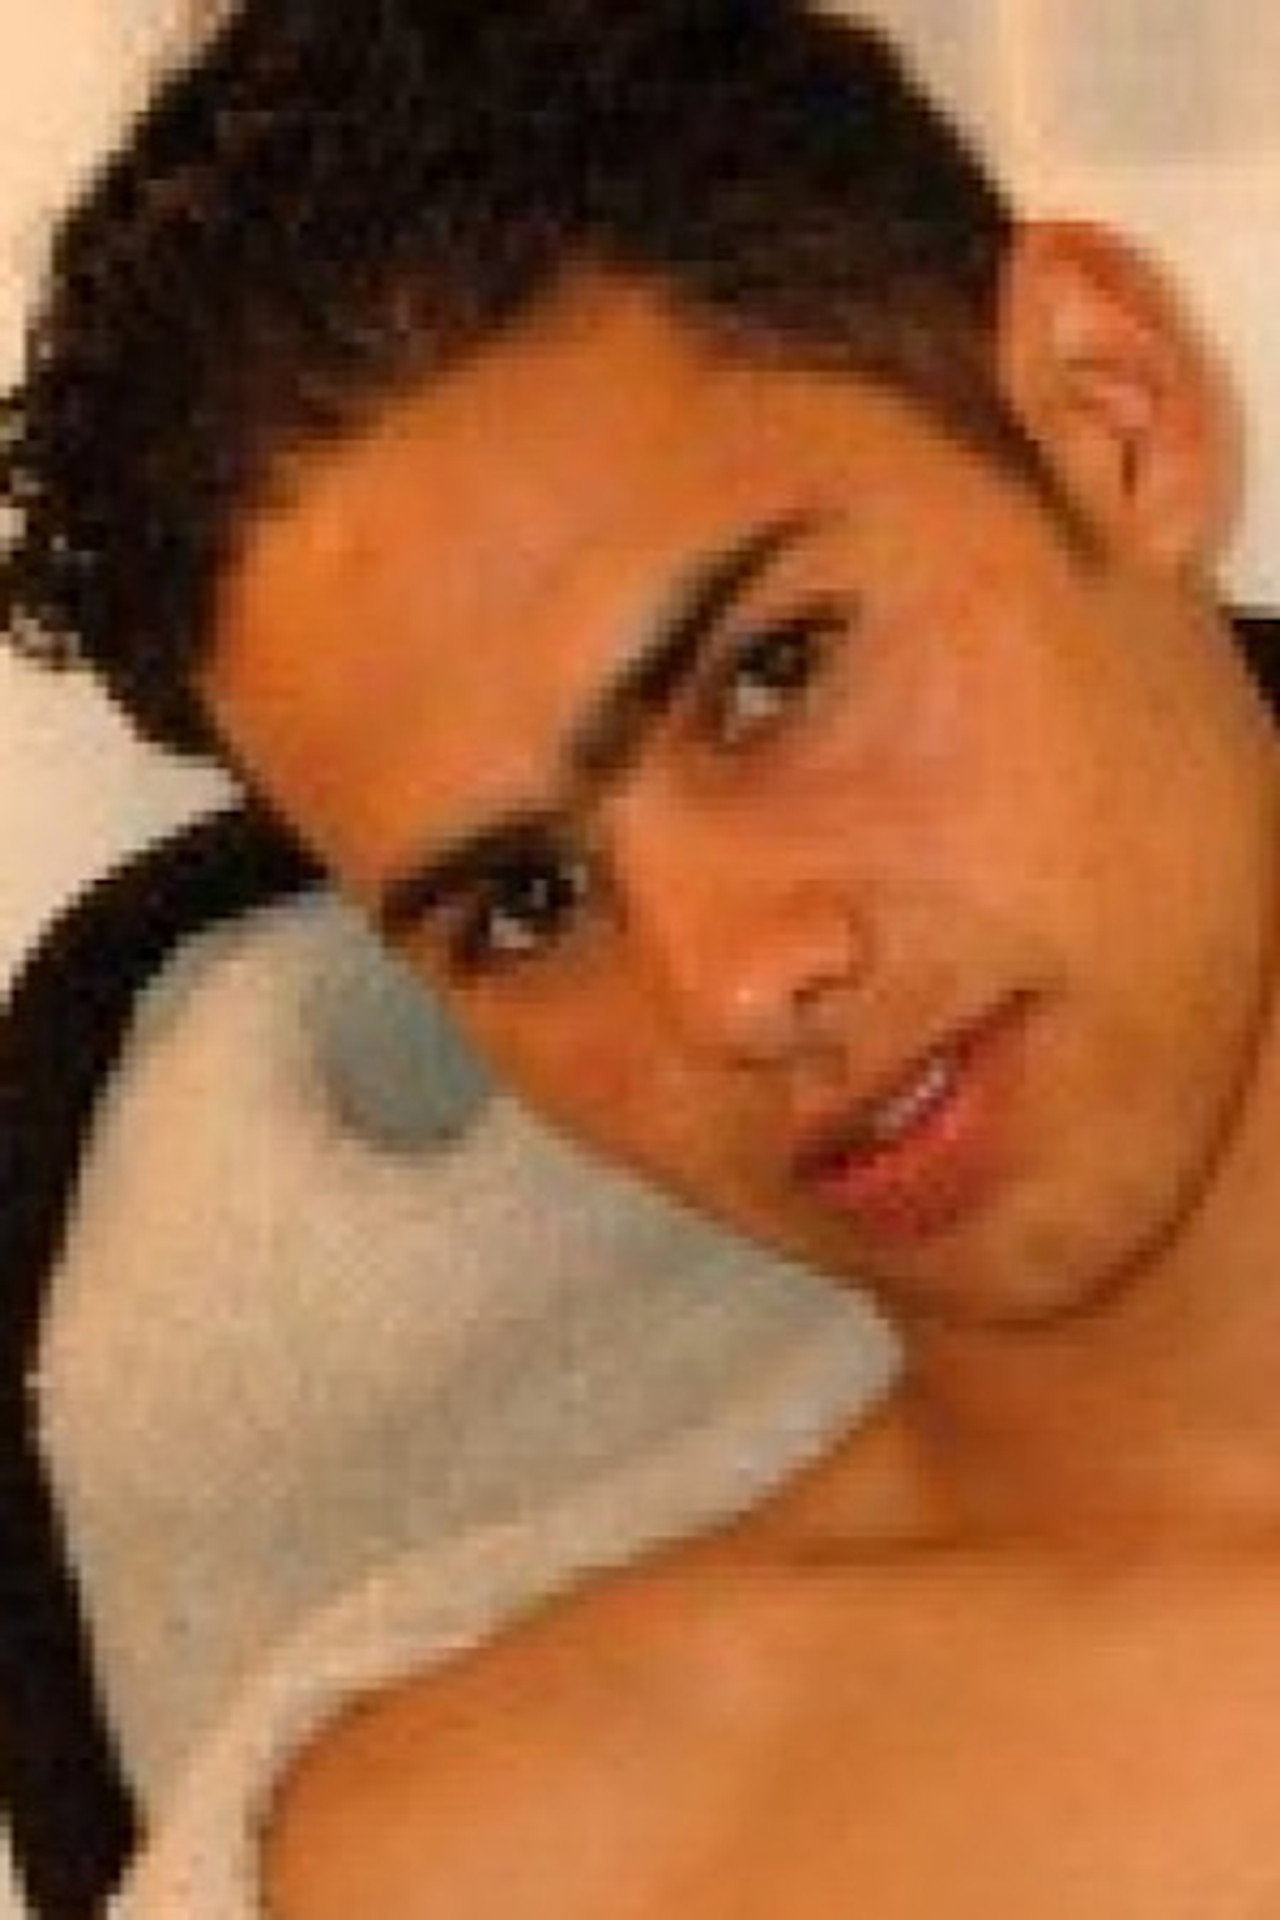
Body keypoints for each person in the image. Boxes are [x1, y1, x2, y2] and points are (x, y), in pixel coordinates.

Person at [7, 1, 1280, 1911]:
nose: (734, 987)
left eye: (769, 678)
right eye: (522, 905)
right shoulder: (505, 1860)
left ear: (1112, 408)